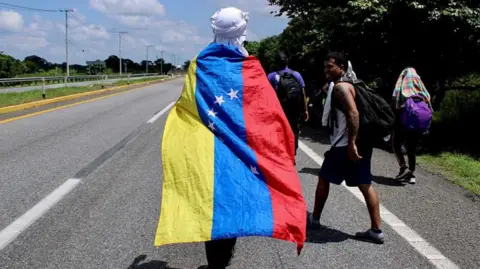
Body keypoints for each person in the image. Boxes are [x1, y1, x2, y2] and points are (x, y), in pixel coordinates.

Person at [306, 52, 385, 244]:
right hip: (360, 144)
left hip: (345, 145)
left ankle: (314, 219)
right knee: (365, 183)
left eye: (330, 66)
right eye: (325, 66)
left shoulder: (341, 87)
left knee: (324, 178)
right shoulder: (350, 85)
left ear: (341, 67)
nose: (326, 70)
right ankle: (376, 231)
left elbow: (353, 114)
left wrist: (351, 144)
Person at [391, 67, 433, 184]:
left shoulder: (400, 88)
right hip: (417, 126)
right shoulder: (422, 91)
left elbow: (394, 105)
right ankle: (412, 174)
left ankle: (403, 167)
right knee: (411, 149)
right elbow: (430, 109)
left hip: (402, 123)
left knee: (395, 144)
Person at [267, 52, 309, 156]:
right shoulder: (296, 74)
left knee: (279, 130)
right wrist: (305, 110)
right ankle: (292, 151)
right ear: (287, 61)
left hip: (279, 109)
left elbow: (266, 95)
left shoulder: (272, 76)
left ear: (276, 62)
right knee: (294, 129)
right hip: (294, 108)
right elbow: (303, 93)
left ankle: (281, 152)